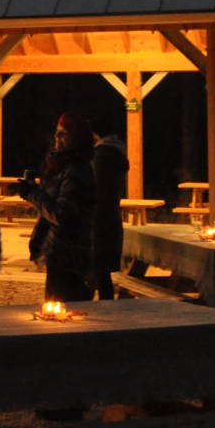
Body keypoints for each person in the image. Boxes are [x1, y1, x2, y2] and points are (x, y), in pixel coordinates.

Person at [20, 112, 98, 304]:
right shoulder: (63, 166)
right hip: (61, 255)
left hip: (69, 256)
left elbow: (62, 214)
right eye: (56, 133)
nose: (57, 138)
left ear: (76, 137)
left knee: (66, 316)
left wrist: (33, 193)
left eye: (63, 133)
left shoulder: (76, 170)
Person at [90, 115, 130, 300]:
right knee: (102, 271)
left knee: (96, 269)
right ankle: (107, 306)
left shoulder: (101, 156)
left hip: (97, 218)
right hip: (111, 215)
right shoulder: (117, 153)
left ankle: (104, 309)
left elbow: (95, 188)